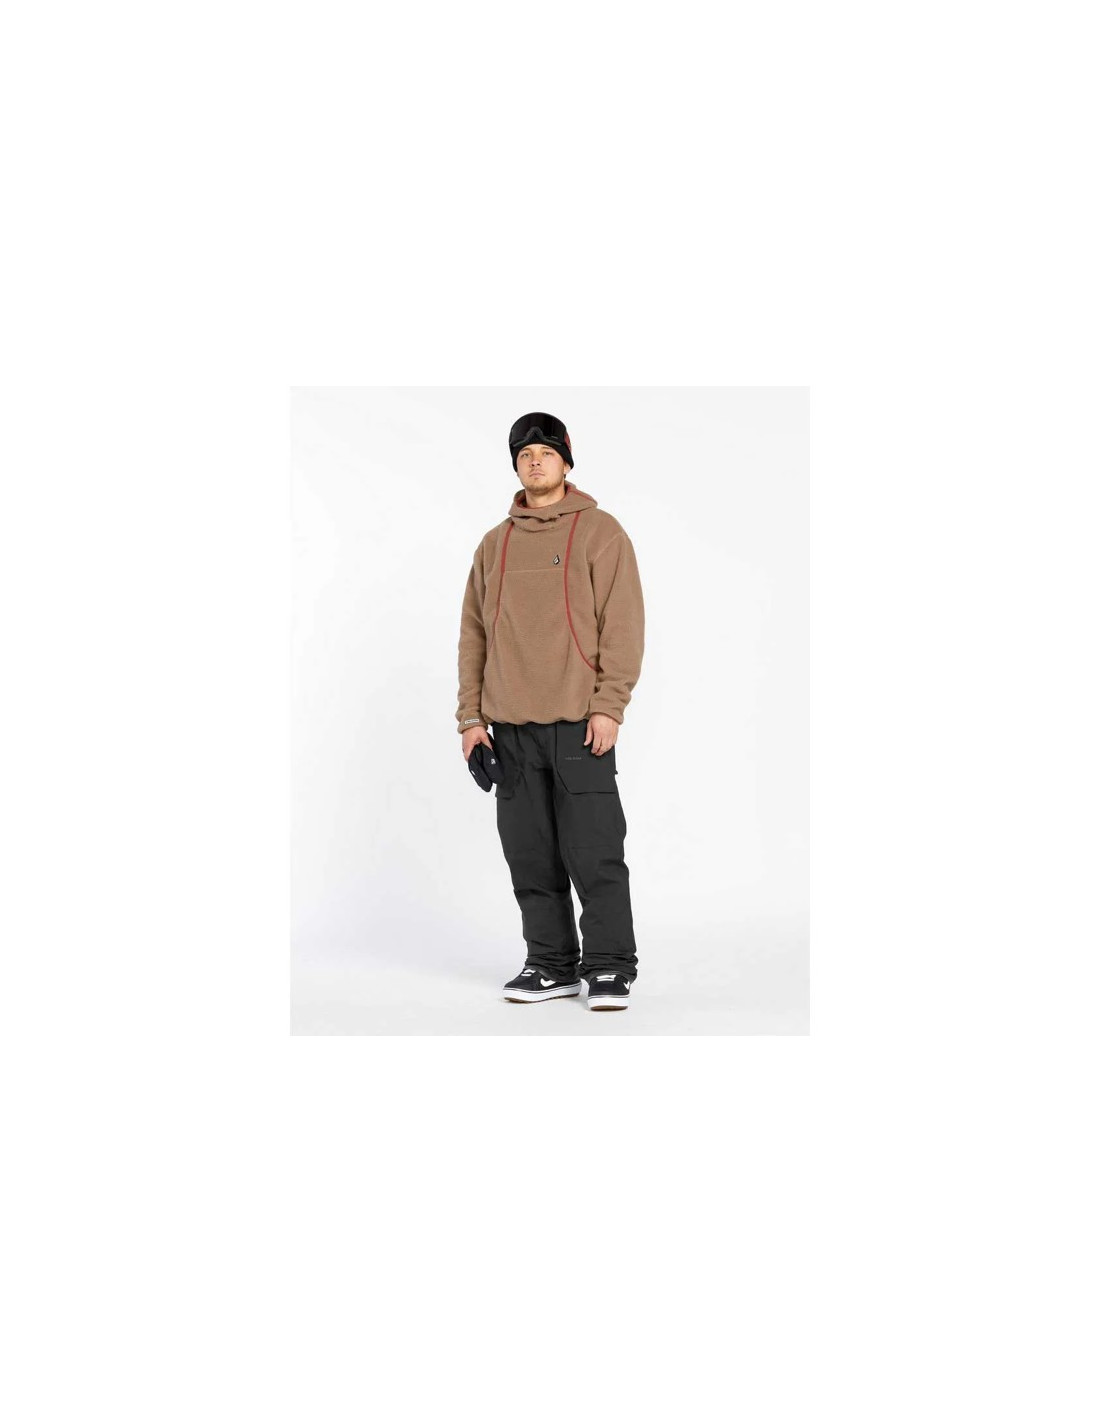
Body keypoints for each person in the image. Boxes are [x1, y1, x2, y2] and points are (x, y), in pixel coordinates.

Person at [455, 412, 645, 1012]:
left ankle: (609, 967)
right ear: (516, 466)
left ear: (565, 459)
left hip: (578, 726)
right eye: (524, 454)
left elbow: (623, 624)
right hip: (509, 731)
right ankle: (550, 964)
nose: (534, 461)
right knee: (530, 855)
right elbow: (473, 635)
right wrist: (471, 720)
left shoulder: (600, 532)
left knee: (595, 853)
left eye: (545, 451)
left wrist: (609, 705)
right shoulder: (495, 544)